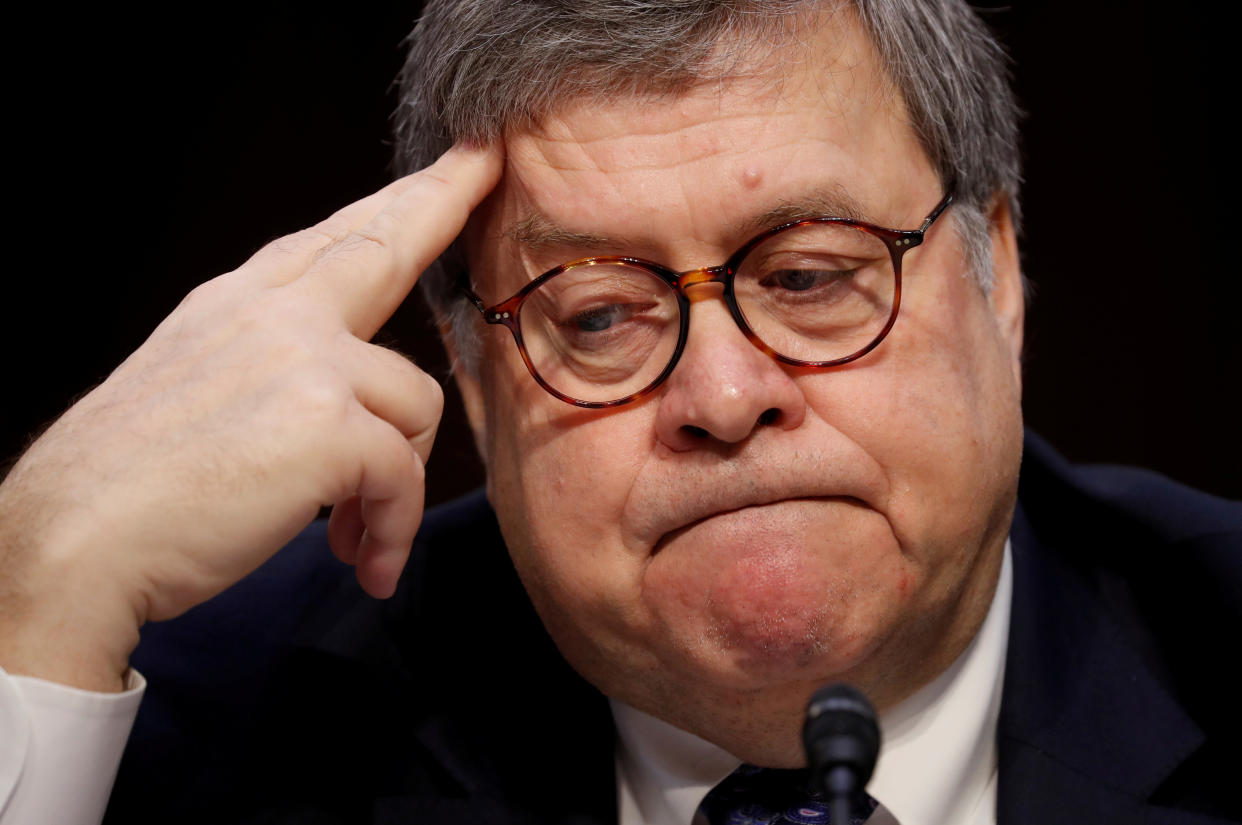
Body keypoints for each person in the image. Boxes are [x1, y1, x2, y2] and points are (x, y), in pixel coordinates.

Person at [0, 2, 1237, 824]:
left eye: (807, 276)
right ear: (468, 379)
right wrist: (36, 595)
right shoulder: (200, 728)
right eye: (596, 316)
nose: (725, 395)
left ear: (997, 277)